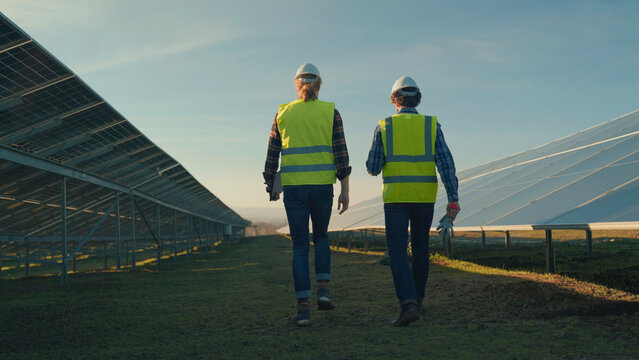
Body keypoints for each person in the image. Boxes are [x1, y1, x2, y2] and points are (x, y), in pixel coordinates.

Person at [366, 76, 460, 326]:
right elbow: (446, 163)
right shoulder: (431, 125)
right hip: (424, 197)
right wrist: (453, 198)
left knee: (397, 250)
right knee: (420, 249)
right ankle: (418, 300)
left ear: (394, 99)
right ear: (417, 98)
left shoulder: (384, 126)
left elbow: (373, 168)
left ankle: (407, 304)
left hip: (396, 198)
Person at [263, 63, 351, 326]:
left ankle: (303, 311)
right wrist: (345, 189)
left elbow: (272, 152)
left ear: (296, 85)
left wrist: (271, 185)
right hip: (323, 187)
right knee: (321, 237)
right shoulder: (330, 112)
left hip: (294, 189)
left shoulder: (282, 114)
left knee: (299, 246)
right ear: (319, 85)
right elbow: (341, 154)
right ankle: (323, 292)